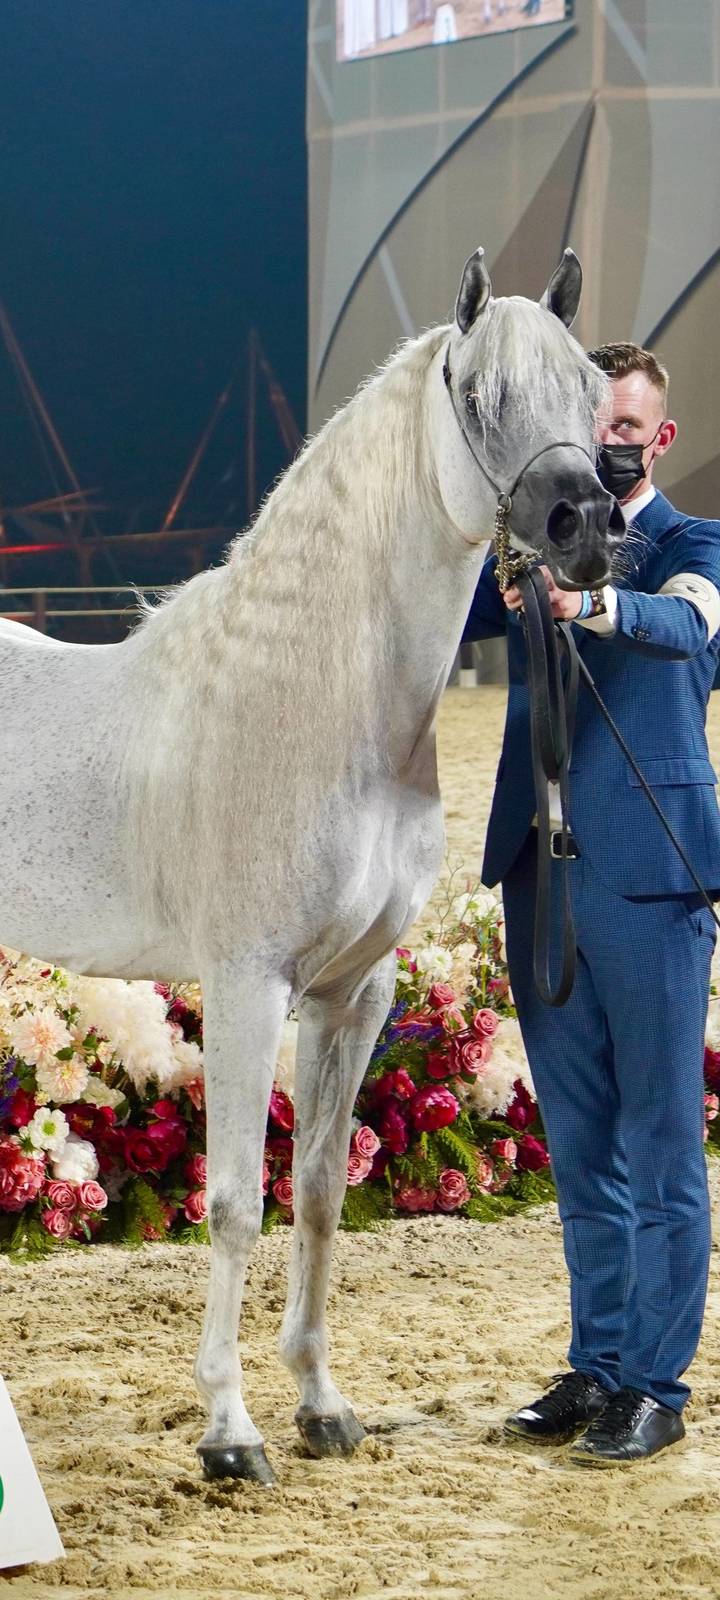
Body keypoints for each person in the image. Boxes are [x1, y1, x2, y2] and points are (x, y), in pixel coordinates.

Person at [462, 343, 720, 1464]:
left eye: (625, 426)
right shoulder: (528, 549)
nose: (606, 441)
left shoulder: (691, 543)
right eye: (592, 421)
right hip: (541, 877)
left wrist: (590, 600)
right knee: (579, 1147)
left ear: (656, 438)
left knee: (661, 1143)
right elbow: (438, 620)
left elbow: (690, 626)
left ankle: (656, 1385)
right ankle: (598, 1364)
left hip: (650, 879)